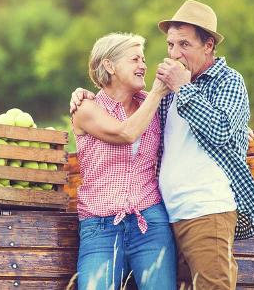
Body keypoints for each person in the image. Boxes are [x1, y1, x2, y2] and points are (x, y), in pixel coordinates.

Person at [70, 0, 254, 290]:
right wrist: (86, 93)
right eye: (170, 45)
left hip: (204, 210)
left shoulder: (226, 81)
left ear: (208, 45)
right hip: (168, 213)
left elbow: (222, 130)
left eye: (184, 44)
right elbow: (132, 119)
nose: (174, 54)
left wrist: (182, 88)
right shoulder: (163, 95)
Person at [72, 32, 176, 290]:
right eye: (135, 59)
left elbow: (192, 119)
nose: (143, 65)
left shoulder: (155, 104)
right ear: (109, 65)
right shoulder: (87, 108)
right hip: (100, 226)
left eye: (144, 59)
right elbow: (125, 133)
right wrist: (157, 94)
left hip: (150, 221)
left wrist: (240, 127)